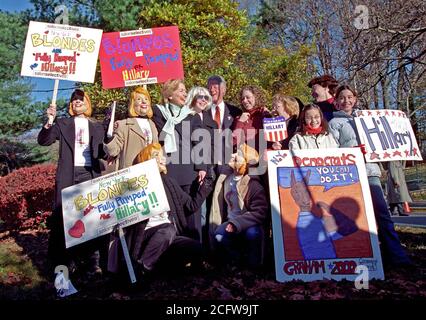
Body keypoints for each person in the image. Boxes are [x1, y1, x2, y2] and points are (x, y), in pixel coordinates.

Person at [328, 84, 412, 267]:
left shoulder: (368, 119)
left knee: (382, 214)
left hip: (370, 172)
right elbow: (332, 150)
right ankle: (361, 257)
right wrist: (353, 151)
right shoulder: (334, 123)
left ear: (355, 98)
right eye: (342, 98)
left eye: (349, 97)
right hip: (350, 175)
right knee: (355, 217)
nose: (346, 101)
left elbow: (384, 141)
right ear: (336, 102)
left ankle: (397, 256)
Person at [37, 89, 107, 276]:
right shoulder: (63, 123)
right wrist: (50, 120)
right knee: (64, 219)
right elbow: (44, 141)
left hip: (90, 174)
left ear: (88, 103)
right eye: (73, 99)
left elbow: (104, 152)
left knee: (91, 216)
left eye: (80, 99)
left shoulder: (98, 126)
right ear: (70, 105)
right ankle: (63, 265)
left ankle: (92, 262)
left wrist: (111, 136)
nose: (76, 101)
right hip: (68, 174)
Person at [130, 143, 214, 276]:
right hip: (146, 237)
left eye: (162, 155)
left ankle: (157, 269)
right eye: (156, 155)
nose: (163, 159)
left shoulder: (169, 183)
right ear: (146, 160)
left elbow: (190, 205)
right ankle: (142, 269)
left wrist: (205, 186)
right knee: (168, 229)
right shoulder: (135, 185)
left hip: (168, 236)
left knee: (196, 247)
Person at [152, 79, 207, 241]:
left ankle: (196, 258)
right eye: (181, 90)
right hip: (168, 173)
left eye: (185, 90)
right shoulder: (157, 113)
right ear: (169, 95)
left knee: (193, 218)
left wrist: (202, 167)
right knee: (172, 219)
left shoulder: (192, 116)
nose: (185, 94)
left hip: (190, 173)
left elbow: (199, 143)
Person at [209, 144, 269, 269]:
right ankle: (235, 263)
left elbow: (260, 212)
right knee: (219, 236)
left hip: (249, 223)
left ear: (246, 163)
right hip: (230, 220)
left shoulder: (253, 184)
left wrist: (237, 223)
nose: (233, 155)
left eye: (238, 155)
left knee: (253, 234)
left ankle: (254, 268)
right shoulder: (225, 178)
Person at [104, 86, 159, 170]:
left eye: (146, 99)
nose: (144, 101)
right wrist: (109, 136)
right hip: (132, 173)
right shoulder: (123, 125)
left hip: (151, 171)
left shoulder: (152, 125)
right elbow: (113, 151)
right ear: (133, 104)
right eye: (139, 99)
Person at [206, 75, 242, 174]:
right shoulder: (202, 112)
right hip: (208, 164)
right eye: (209, 87)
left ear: (223, 90)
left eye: (215, 87)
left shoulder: (235, 112)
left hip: (229, 163)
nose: (211, 90)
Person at [232, 85, 271, 154]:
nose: (245, 101)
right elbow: (233, 142)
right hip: (246, 161)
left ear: (256, 97)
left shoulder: (265, 115)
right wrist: (240, 122)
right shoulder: (239, 118)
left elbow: (272, 139)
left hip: (264, 159)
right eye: (242, 98)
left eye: (248, 97)